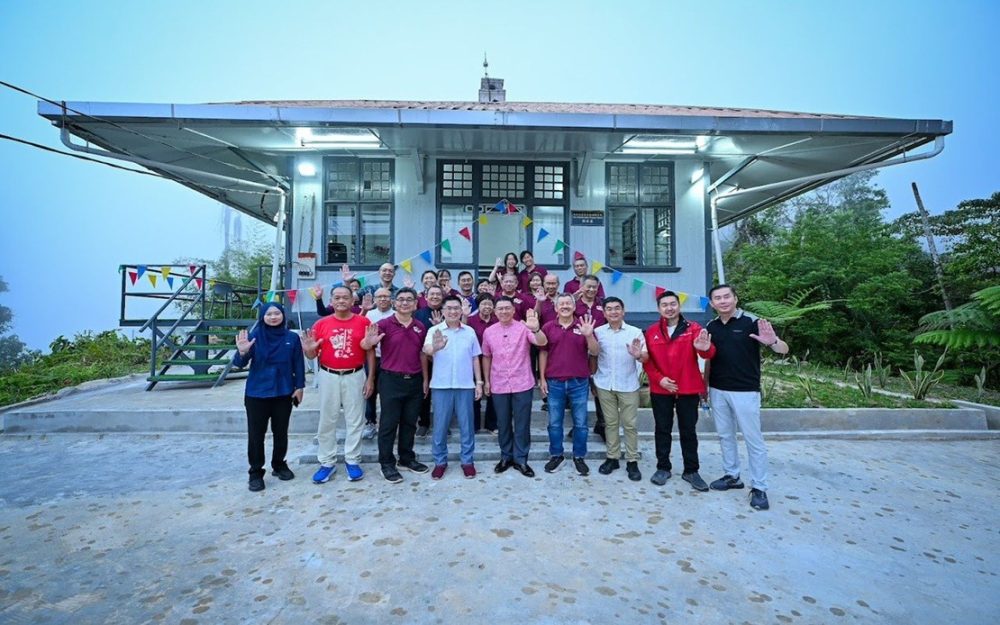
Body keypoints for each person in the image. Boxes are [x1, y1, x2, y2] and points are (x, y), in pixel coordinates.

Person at [704, 284, 788, 511]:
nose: (723, 301)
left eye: (727, 297)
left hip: (745, 390)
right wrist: (705, 387)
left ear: (735, 298)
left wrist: (773, 342)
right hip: (718, 389)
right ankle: (732, 475)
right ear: (712, 303)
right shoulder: (711, 326)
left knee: (753, 439)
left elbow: (783, 349)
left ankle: (759, 487)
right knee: (725, 435)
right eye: (718, 298)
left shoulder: (752, 321)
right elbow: (709, 358)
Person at [643, 291, 715, 490]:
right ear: (659, 309)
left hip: (688, 388)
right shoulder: (651, 331)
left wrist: (705, 348)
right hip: (661, 389)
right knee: (662, 429)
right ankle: (663, 467)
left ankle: (691, 470)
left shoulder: (694, 329)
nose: (669, 308)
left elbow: (707, 353)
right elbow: (647, 361)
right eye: (664, 305)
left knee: (688, 430)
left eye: (672, 304)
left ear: (679, 305)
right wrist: (660, 379)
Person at [302, 286, 375, 484]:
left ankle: (352, 459)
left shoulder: (364, 322)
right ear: (331, 301)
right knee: (327, 419)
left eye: (345, 297)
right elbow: (312, 354)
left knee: (355, 419)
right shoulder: (321, 324)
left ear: (352, 301)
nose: (341, 301)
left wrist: (370, 378)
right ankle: (327, 462)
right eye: (337, 297)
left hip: (355, 374)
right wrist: (308, 350)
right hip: (328, 375)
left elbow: (370, 351)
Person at [360, 287, 431, 483]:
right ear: (394, 302)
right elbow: (366, 346)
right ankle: (386, 463)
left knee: (409, 422)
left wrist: (425, 379)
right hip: (391, 380)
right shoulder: (384, 324)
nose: (405, 303)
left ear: (415, 304)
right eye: (401, 299)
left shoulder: (420, 326)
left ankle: (406, 458)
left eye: (409, 299)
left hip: (415, 380)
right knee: (388, 424)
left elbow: (422, 354)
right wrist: (368, 342)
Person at [233, 302, 305, 492]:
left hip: (284, 392)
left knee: (281, 432)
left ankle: (279, 464)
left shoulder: (291, 338)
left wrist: (300, 386)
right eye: (269, 314)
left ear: (283, 315)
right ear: (262, 317)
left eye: (277, 313)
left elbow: (298, 363)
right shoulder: (254, 337)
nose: (273, 317)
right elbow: (239, 364)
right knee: (256, 435)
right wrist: (242, 352)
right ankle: (256, 472)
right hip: (257, 393)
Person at [482, 298, 547, 477]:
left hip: (522, 383)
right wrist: (486, 381)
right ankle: (506, 456)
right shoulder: (489, 332)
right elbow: (486, 356)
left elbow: (541, 342)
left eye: (507, 308)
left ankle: (521, 459)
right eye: (500, 309)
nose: (503, 312)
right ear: (495, 312)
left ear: (513, 310)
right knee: (502, 423)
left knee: (522, 424)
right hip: (499, 383)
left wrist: (536, 329)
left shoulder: (523, 327)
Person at [423, 295, 484, 479]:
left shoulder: (469, 331)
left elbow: (475, 358)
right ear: (442, 311)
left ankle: (467, 461)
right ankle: (440, 462)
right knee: (440, 426)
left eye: (456, 308)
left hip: (465, 385)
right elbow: (426, 350)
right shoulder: (434, 330)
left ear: (461, 310)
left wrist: (479, 382)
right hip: (441, 386)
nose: (452, 311)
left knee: (467, 426)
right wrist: (436, 347)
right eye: (448, 308)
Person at [539, 294, 599, 476]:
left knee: (581, 423)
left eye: (568, 303)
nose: (565, 306)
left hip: (579, 382)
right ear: (556, 308)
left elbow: (595, 351)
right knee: (554, 423)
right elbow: (543, 353)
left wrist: (589, 336)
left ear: (574, 307)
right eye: (561, 304)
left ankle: (579, 456)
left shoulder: (584, 325)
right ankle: (556, 455)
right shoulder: (548, 327)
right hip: (554, 382)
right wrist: (542, 378)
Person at [593, 297, 646, 481]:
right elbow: (592, 355)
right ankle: (612, 457)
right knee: (610, 423)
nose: (613, 312)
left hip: (628, 384)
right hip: (604, 384)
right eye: (609, 309)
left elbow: (645, 356)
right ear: (604, 313)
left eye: (617, 308)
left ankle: (632, 460)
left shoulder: (635, 332)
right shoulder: (598, 332)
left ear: (623, 311)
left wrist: (638, 355)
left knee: (630, 424)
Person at [362, 287, 395, 440]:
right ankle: (370, 422)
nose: (383, 299)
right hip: (372, 358)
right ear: (375, 299)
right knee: (370, 391)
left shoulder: (396, 315)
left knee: (388, 392)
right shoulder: (368, 315)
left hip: (391, 359)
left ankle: (388, 424)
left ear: (391, 299)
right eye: (379, 296)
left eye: (386, 296)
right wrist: (363, 310)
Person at [414, 285, 445, 436]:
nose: (435, 297)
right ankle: (424, 423)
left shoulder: (448, 312)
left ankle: (443, 424)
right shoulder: (418, 314)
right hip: (423, 358)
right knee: (424, 392)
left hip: (444, 360)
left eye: (438, 294)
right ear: (426, 297)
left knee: (443, 394)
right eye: (432, 294)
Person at [467, 293, 498, 433]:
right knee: (475, 393)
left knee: (493, 393)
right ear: (478, 306)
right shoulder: (470, 320)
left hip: (494, 361)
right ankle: (474, 425)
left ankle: (492, 424)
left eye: (490, 304)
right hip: (473, 361)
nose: (487, 307)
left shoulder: (497, 320)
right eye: (484, 304)